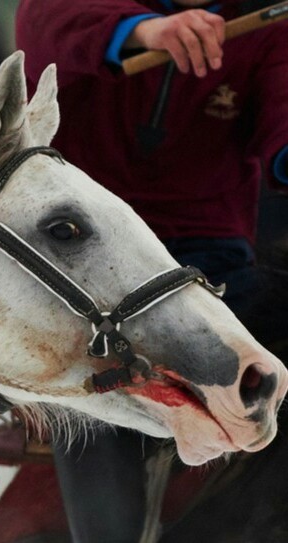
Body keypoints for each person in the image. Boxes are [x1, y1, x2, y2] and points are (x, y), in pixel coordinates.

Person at [16, 0, 288, 541]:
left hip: (209, 258)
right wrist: (143, 31)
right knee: (92, 375)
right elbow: (39, 22)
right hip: (80, 249)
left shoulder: (269, 23)